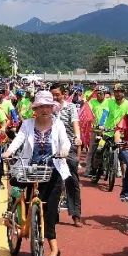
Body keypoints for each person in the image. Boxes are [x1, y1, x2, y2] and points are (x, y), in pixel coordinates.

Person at [3, 90, 70, 256]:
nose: (44, 110)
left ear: (52, 108)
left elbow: (65, 141)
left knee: (49, 210)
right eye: (41, 107)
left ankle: (54, 248)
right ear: (36, 108)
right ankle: (15, 215)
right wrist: (9, 151)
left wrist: (64, 151)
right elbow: (19, 139)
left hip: (52, 170)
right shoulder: (27, 124)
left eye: (47, 106)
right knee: (20, 191)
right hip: (29, 168)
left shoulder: (58, 124)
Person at [49, 83, 83, 227]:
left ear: (64, 94)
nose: (55, 97)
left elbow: (75, 124)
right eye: (52, 95)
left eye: (57, 94)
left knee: (72, 180)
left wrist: (77, 137)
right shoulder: (48, 108)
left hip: (68, 146)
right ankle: (52, 213)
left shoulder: (71, 107)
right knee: (51, 180)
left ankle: (75, 214)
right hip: (50, 147)